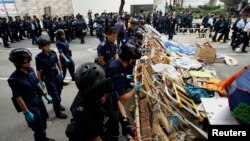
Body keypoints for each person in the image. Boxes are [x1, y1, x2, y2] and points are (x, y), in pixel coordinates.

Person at [8, 48, 55, 141]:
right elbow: (18, 97)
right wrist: (26, 112)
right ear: (18, 62)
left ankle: (43, 138)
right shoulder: (14, 79)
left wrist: (45, 94)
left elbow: (37, 83)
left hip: (38, 100)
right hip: (30, 104)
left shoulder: (31, 70)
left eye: (29, 60)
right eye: (26, 61)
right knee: (38, 127)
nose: (29, 63)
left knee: (44, 120)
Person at [66, 62, 118, 141]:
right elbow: (96, 138)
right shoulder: (81, 110)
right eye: (96, 95)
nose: (102, 98)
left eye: (103, 92)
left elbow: (117, 100)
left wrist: (125, 120)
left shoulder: (106, 85)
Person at [106, 43, 142, 139]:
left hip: (110, 95)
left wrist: (125, 77)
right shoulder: (119, 73)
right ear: (128, 58)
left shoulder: (114, 63)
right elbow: (121, 100)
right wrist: (134, 90)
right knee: (113, 131)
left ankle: (124, 128)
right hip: (109, 105)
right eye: (132, 59)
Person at [35, 35, 67, 119]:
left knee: (59, 91)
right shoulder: (39, 57)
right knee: (55, 95)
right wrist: (40, 81)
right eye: (46, 45)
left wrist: (61, 71)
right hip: (48, 78)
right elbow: (38, 71)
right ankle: (57, 112)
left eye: (49, 45)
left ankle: (57, 104)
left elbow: (57, 63)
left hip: (56, 75)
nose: (48, 46)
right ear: (41, 47)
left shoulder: (53, 52)